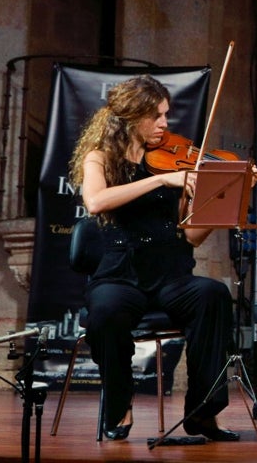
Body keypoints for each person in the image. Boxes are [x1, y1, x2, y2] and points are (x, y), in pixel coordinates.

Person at [72, 75, 237, 442]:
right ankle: (119, 404)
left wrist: (217, 208)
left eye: (166, 115)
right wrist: (162, 181)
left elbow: (192, 236)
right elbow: (96, 201)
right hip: (119, 273)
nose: (165, 123)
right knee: (106, 311)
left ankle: (202, 413)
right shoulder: (101, 158)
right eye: (157, 115)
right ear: (131, 117)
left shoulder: (176, 163)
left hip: (171, 274)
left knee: (213, 295)